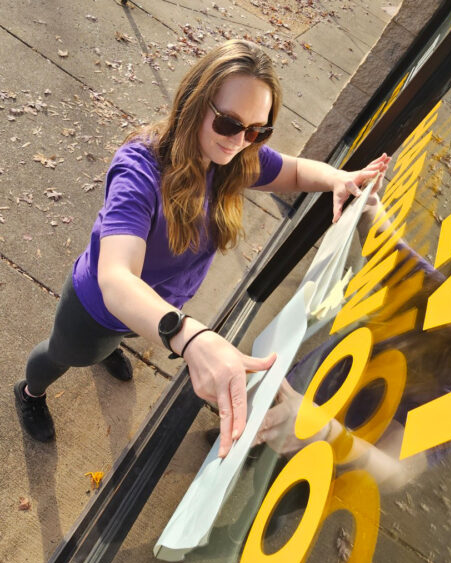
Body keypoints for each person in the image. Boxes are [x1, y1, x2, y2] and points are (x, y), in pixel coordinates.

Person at [13, 39, 388, 458]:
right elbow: (117, 279)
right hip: (95, 311)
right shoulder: (140, 169)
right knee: (62, 356)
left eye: (256, 130)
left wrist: (338, 178)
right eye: (228, 123)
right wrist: (188, 337)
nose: (240, 140)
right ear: (194, 101)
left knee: (123, 335)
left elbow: (297, 171)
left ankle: (114, 347)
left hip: (154, 309)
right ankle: (29, 392)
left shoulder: (234, 159)